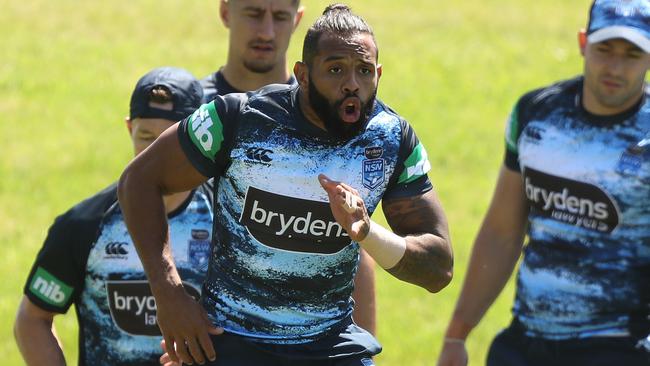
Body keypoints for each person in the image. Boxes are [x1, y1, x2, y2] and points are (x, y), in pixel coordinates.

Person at [118, 4, 454, 366]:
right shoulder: (237, 119)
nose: (352, 84)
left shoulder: (391, 139)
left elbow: (438, 269)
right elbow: (138, 181)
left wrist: (367, 233)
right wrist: (169, 294)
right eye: (336, 69)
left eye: (364, 71)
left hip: (330, 345)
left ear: (379, 74)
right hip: (233, 342)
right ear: (303, 75)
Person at [437, 1, 650, 365]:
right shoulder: (536, 114)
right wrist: (457, 335)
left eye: (631, 54)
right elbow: (502, 232)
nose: (615, 67)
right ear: (583, 43)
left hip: (620, 346)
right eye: (604, 50)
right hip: (526, 342)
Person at [203, 0, 378, 335]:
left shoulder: (331, 114)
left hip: (302, 338)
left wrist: (365, 343)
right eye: (254, 14)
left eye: (280, 16)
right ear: (225, 11)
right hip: (210, 330)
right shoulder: (196, 111)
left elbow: (351, 241)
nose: (267, 31)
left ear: (297, 19)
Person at [14, 67, 209, 365]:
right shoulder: (85, 225)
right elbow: (32, 319)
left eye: (169, 140)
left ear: (198, 140)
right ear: (130, 129)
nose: (156, 154)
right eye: (146, 137)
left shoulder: (229, 220)